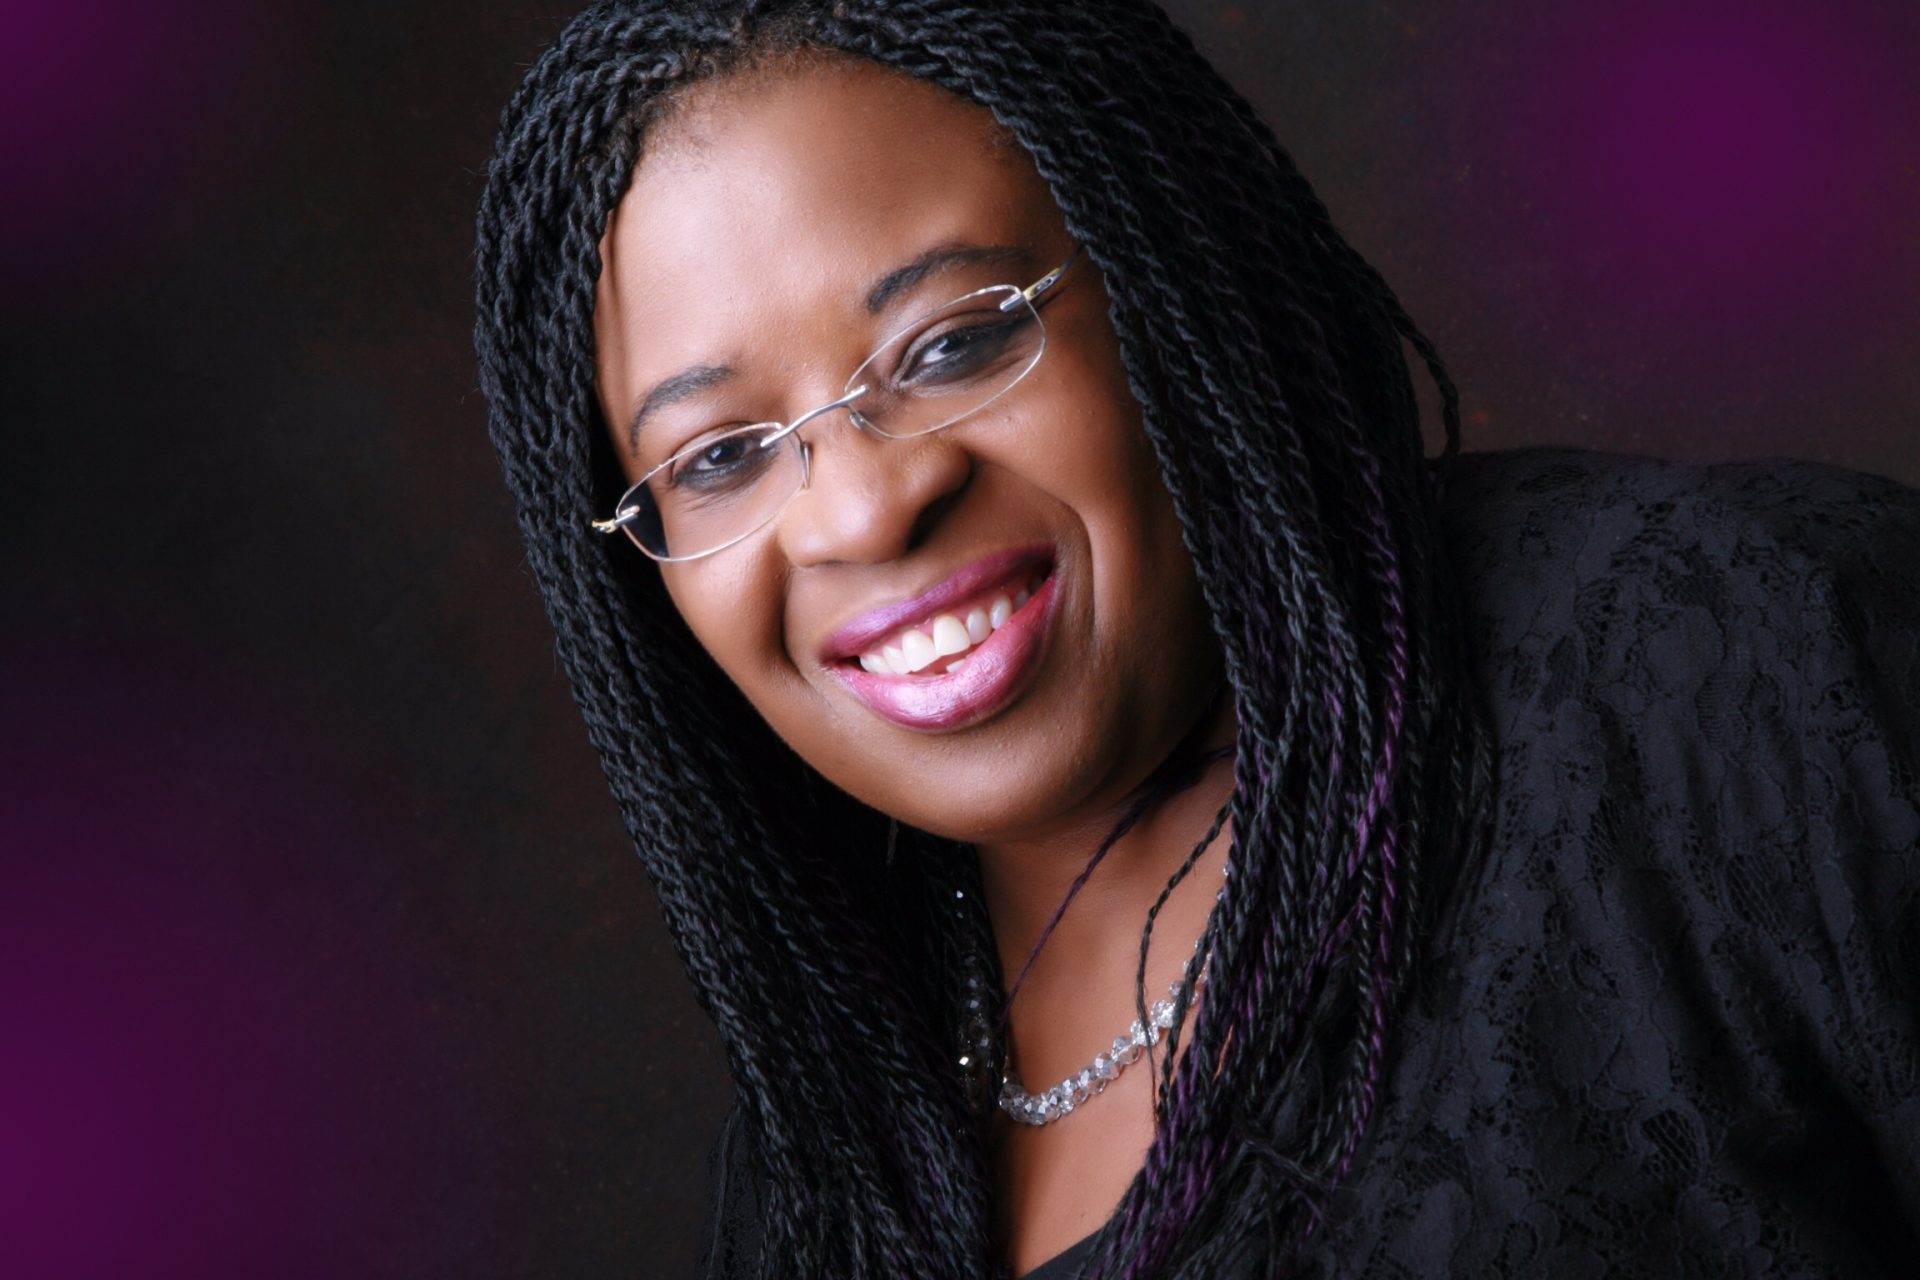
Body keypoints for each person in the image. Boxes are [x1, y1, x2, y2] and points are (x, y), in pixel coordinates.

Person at [472, 2, 1920, 1276]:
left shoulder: (1749, 668)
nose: (862, 505)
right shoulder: (831, 1151)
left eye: (954, 344)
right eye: (721, 457)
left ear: (1164, 274)